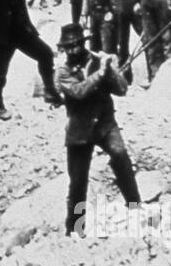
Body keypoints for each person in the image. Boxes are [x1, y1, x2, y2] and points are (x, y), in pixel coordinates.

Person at [54, 23, 142, 237]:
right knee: (78, 180)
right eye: (69, 47)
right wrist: (101, 71)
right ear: (64, 49)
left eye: (77, 45)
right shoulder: (62, 72)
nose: (74, 50)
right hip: (79, 131)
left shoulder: (98, 61)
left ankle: (136, 207)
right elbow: (79, 91)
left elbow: (122, 89)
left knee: (120, 155)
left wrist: (111, 70)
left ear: (83, 43)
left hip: (104, 122)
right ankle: (75, 228)